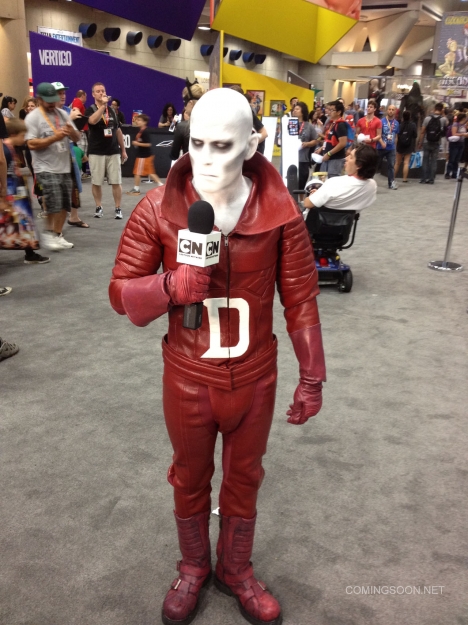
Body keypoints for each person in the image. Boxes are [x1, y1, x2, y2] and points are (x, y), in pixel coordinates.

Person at [109, 88, 326, 625]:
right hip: (188, 376)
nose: (206, 159)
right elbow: (121, 294)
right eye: (197, 143)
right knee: (189, 476)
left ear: (252, 145)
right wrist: (169, 286)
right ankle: (193, 566)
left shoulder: (281, 213)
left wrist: (313, 376)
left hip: (255, 375)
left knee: (246, 476)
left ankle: (235, 568)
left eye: (223, 145)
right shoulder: (157, 208)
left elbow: (301, 297)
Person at [25, 82, 80, 251]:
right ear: (39, 99)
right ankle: (48, 233)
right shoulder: (33, 118)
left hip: (64, 166)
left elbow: (77, 138)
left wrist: (71, 132)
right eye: (48, 100)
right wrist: (54, 138)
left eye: (53, 100)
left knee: (65, 204)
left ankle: (57, 234)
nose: (52, 103)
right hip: (45, 167)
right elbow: (31, 144)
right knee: (53, 201)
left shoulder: (62, 114)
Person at [3, 118, 50, 264]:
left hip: (15, 190)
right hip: (9, 191)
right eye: (22, 135)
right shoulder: (5, 150)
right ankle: (29, 253)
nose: (24, 139)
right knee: (19, 222)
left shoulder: (10, 148)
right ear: (13, 134)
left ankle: (30, 253)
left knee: (23, 223)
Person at [85, 82, 128, 219]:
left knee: (116, 181)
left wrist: (123, 150)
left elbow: (118, 131)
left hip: (113, 151)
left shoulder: (112, 111)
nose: (101, 93)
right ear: (93, 94)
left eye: (103, 91)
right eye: (98, 91)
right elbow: (92, 121)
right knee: (96, 182)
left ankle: (118, 208)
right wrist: (103, 106)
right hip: (96, 151)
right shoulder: (90, 109)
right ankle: (99, 206)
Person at [51, 82, 89, 228]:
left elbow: (76, 136)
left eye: (63, 93)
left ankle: (74, 216)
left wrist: (76, 123)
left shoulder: (68, 110)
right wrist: (70, 119)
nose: (62, 96)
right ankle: (54, 226)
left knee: (74, 185)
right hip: (53, 156)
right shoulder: (48, 113)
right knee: (56, 190)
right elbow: (53, 134)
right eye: (59, 93)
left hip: (69, 151)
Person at [303, 144, 377, 214]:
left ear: (359, 165)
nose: (346, 158)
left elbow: (307, 203)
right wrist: (320, 194)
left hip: (321, 220)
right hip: (348, 221)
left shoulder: (334, 183)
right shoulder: (372, 186)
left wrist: (314, 195)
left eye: (351, 157)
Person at [126, 114, 162, 195]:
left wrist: (137, 143)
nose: (137, 121)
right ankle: (161, 185)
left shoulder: (145, 132)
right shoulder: (141, 131)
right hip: (144, 155)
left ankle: (136, 188)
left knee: (138, 172)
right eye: (137, 120)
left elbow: (148, 144)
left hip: (143, 156)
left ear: (144, 122)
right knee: (150, 172)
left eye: (139, 120)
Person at [418, 102, 448, 184]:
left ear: (434, 109)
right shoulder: (443, 119)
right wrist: (443, 113)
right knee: (434, 161)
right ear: (442, 110)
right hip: (436, 143)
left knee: (425, 160)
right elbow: (447, 124)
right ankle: (431, 179)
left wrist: (420, 142)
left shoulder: (427, 118)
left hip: (426, 142)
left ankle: (423, 179)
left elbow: (422, 132)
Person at [319, 99, 348, 178]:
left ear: (339, 112)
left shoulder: (341, 125)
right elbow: (328, 140)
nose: (329, 112)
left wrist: (329, 153)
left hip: (335, 159)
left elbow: (343, 143)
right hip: (327, 157)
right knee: (323, 179)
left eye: (332, 110)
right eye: (329, 109)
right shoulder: (332, 123)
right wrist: (321, 149)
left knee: (332, 180)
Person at [292, 101, 317, 190]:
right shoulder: (290, 123)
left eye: (297, 109)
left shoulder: (309, 126)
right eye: (294, 109)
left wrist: (307, 144)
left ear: (303, 112)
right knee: (291, 182)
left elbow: (315, 140)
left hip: (303, 159)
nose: (295, 110)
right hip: (290, 158)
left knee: (302, 182)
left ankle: (301, 198)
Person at [376, 104, 399, 190]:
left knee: (391, 166)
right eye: (389, 109)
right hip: (380, 147)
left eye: (393, 109)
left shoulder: (396, 123)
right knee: (375, 165)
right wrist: (381, 142)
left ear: (395, 111)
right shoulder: (381, 121)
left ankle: (391, 183)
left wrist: (395, 146)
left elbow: (396, 136)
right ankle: (369, 182)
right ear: (387, 110)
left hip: (391, 148)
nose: (391, 111)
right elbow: (378, 134)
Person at [395, 110, 417, 183]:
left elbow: (397, 134)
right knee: (406, 162)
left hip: (400, 145)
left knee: (397, 163)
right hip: (409, 145)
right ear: (410, 117)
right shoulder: (413, 125)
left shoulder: (400, 125)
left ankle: (393, 177)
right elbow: (415, 135)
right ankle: (404, 179)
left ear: (403, 117)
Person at [445, 113, 468, 179]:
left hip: (461, 143)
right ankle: (448, 172)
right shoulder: (455, 124)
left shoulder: (464, 125)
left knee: (457, 159)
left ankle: (454, 173)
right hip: (454, 143)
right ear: (463, 118)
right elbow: (454, 133)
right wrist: (463, 134)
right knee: (452, 158)